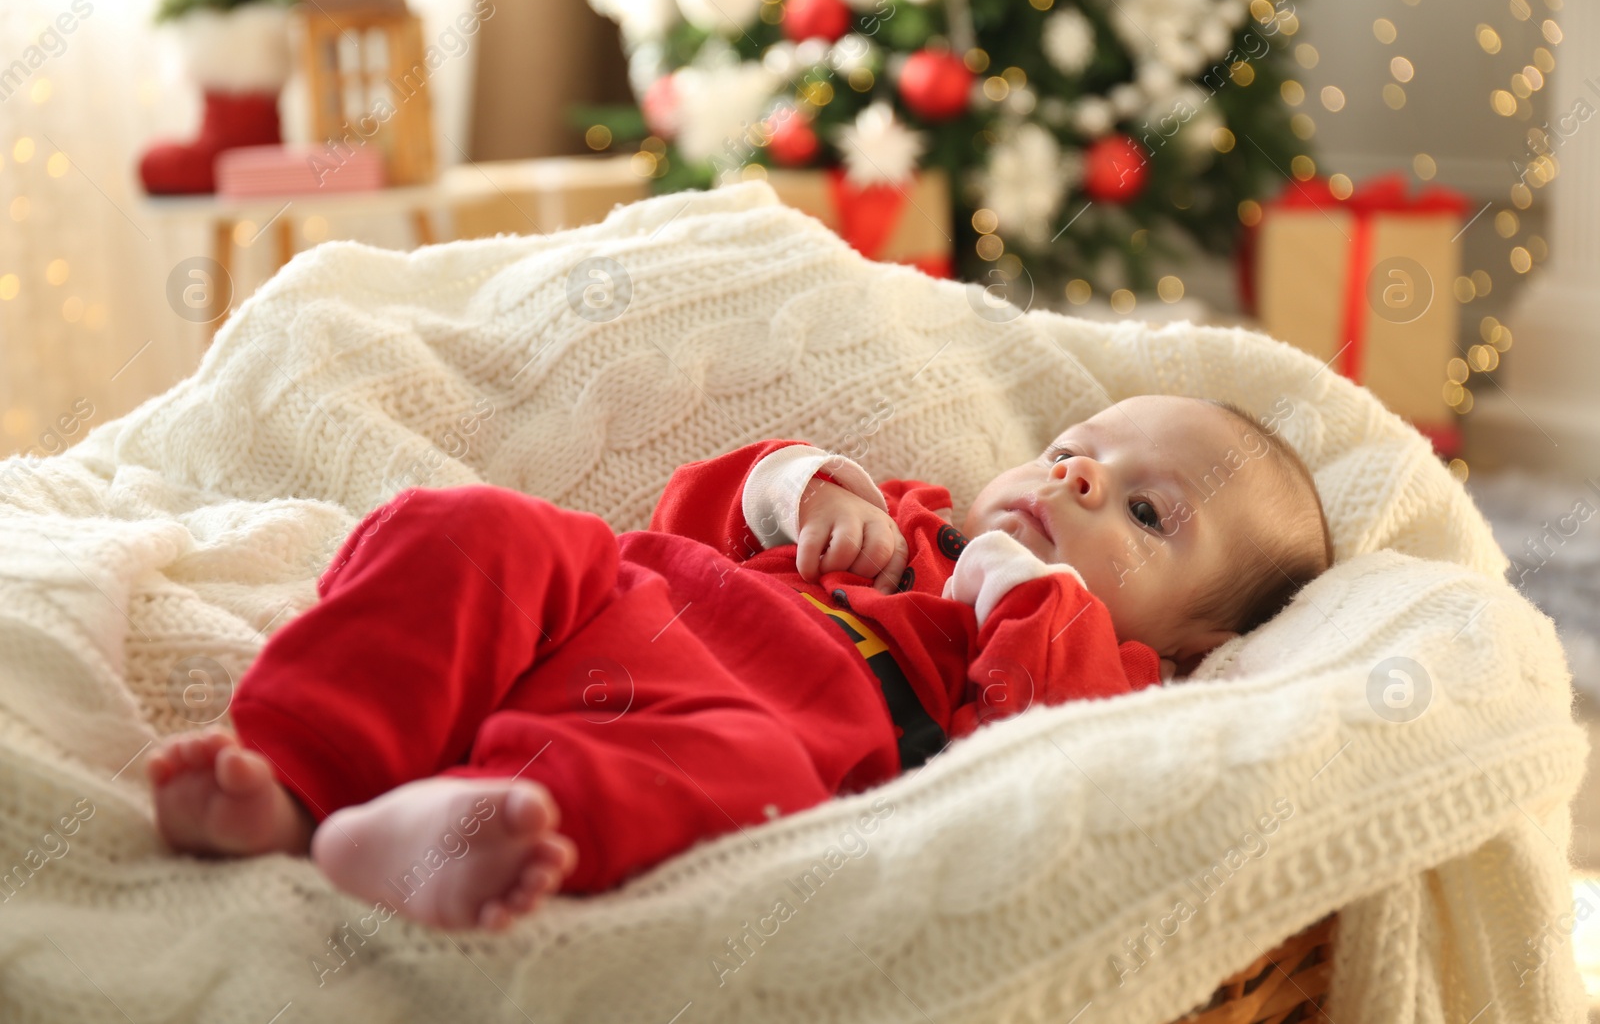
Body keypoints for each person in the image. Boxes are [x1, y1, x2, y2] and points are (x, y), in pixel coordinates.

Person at [146, 395, 1333, 932]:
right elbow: (698, 501)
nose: (1073, 479)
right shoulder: (907, 521)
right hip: (611, 600)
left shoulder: (1095, 662)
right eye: (1073, 449)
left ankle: (433, 832)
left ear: (1193, 645)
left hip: (754, 719)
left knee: (735, 779)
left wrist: (1037, 595)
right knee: (477, 527)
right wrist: (806, 484)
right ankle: (303, 768)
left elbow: (1039, 745)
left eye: (1143, 510)